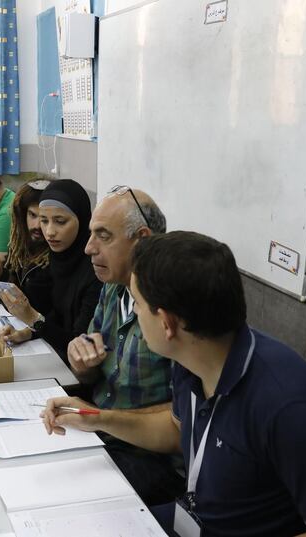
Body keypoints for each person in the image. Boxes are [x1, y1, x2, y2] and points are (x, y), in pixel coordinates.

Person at [42, 231, 306, 536]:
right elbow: (177, 430)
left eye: (137, 304)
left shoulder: (288, 407)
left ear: (166, 323)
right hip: (194, 519)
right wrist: (98, 419)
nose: (134, 312)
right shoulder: (191, 359)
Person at [65, 185, 183, 506]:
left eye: (103, 236)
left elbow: (184, 419)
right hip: (106, 433)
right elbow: (91, 374)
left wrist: (100, 418)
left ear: (142, 239)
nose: (88, 248)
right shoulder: (113, 287)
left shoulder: (171, 308)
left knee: (73, 499)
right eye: (91, 234)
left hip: (150, 458)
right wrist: (81, 361)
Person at [0, 179, 103, 357]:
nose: (49, 231)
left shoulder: (96, 270)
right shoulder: (57, 257)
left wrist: (33, 319)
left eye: (60, 221)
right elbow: (58, 319)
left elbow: (79, 344)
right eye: (44, 221)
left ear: (83, 220)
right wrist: (29, 332)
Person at [0, 178, 54, 314]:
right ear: (21, 215)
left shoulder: (56, 256)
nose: (38, 225)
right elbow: (21, 292)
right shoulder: (21, 246)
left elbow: (39, 306)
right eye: (32, 215)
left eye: (45, 218)